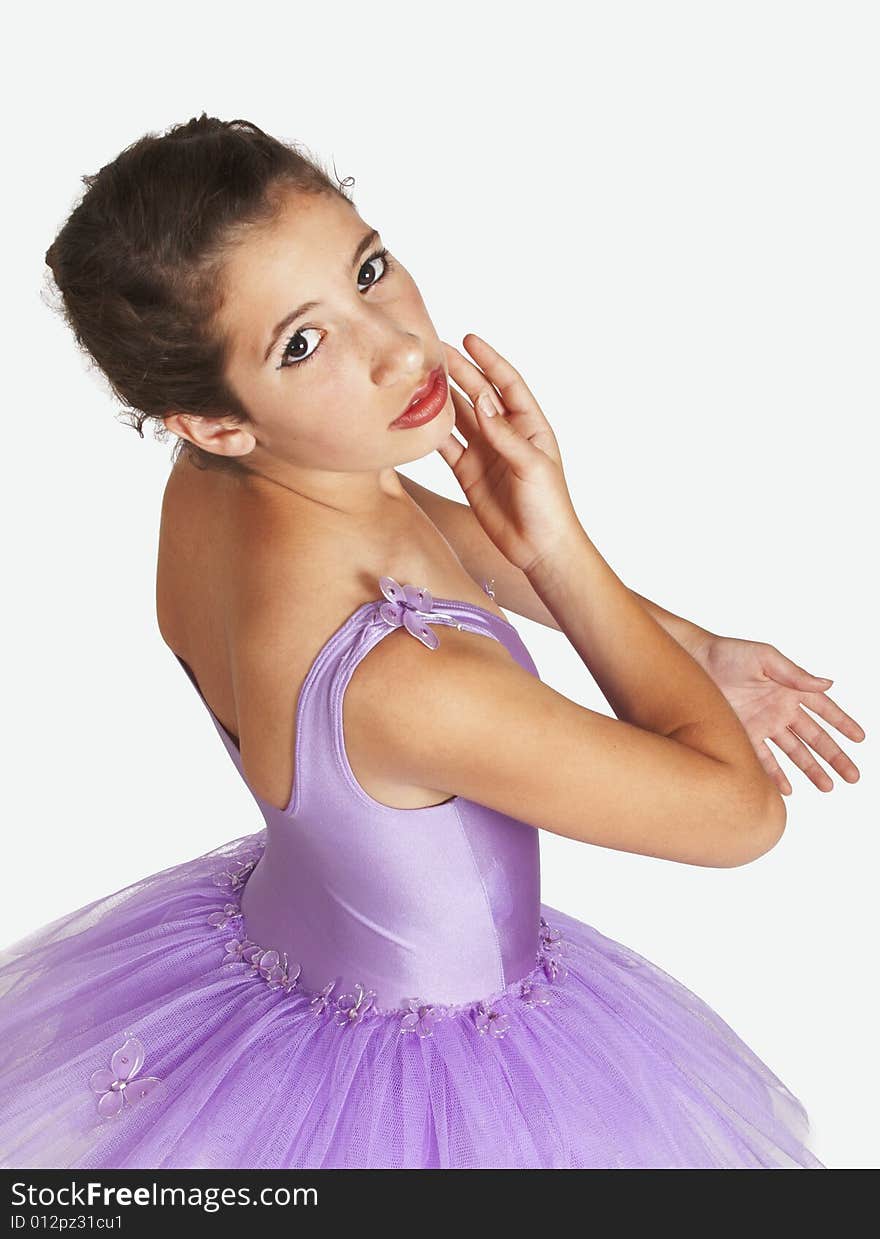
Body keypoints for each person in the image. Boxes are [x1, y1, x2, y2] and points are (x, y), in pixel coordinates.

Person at [0, 114, 859, 1170]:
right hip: (428, 1091)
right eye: (303, 343)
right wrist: (559, 545)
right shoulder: (406, 686)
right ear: (215, 419)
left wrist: (695, 648)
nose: (398, 346)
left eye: (368, 269)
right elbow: (737, 816)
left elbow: (420, 534)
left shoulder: (225, 487)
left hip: (271, 971)